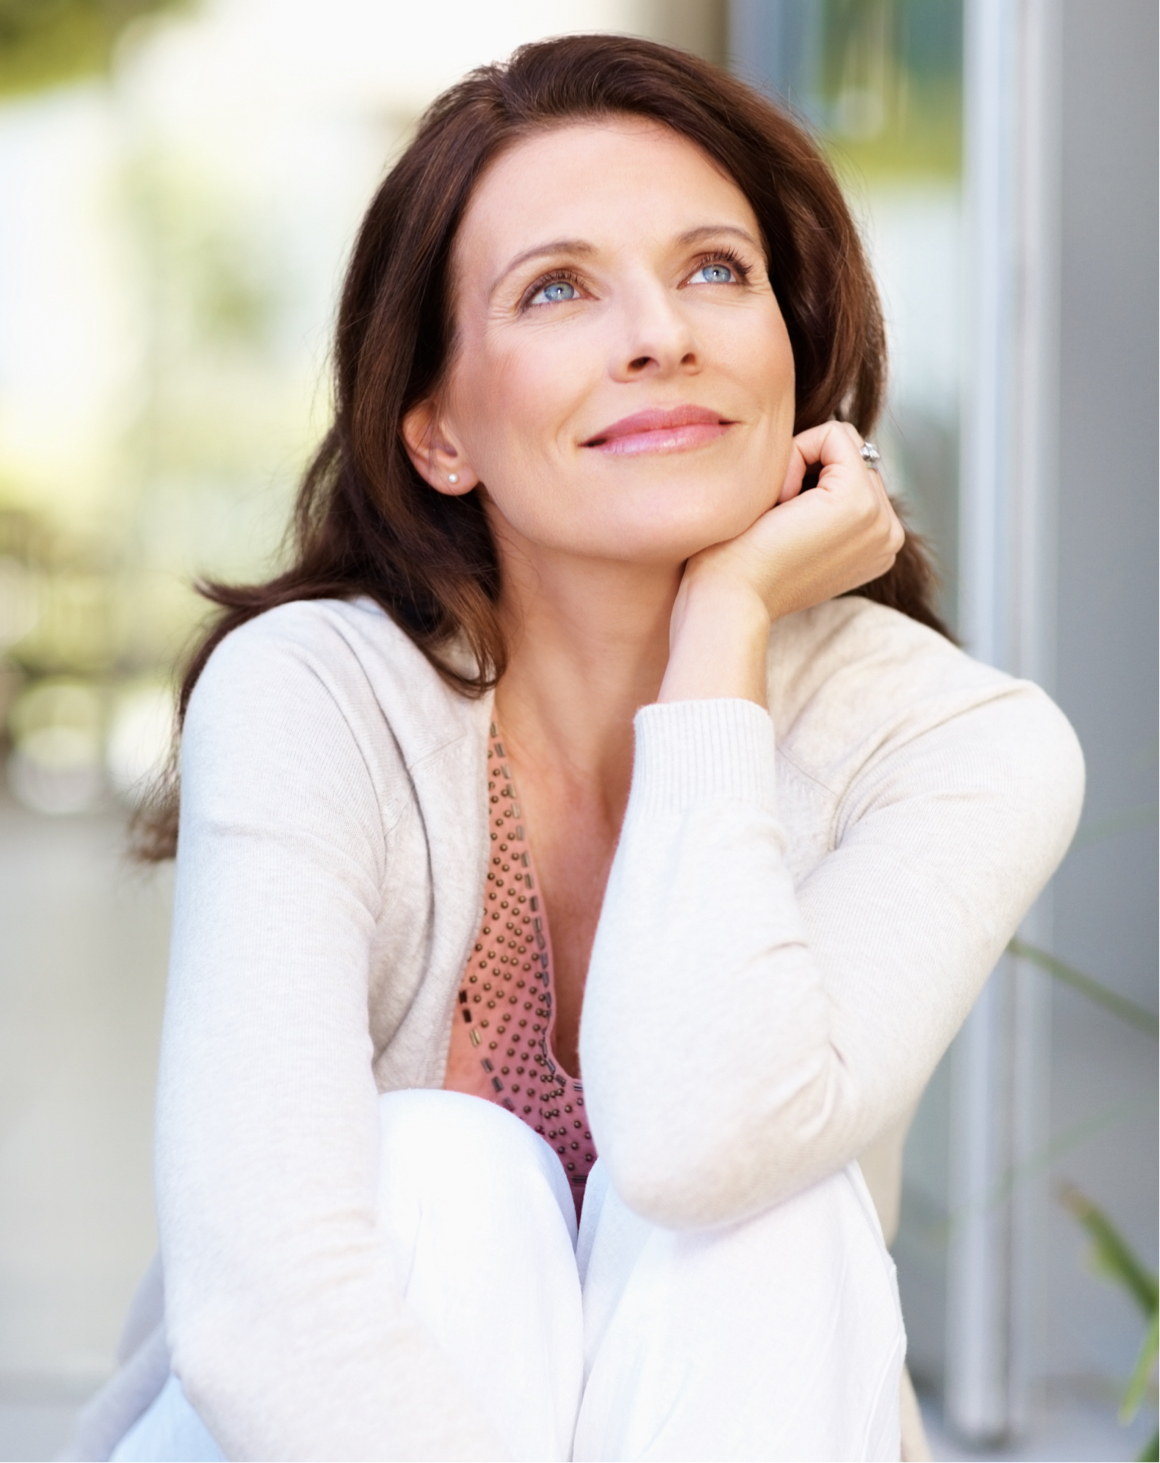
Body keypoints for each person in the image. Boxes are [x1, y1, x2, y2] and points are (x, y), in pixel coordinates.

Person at [67, 33, 1083, 1463]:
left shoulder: (966, 745)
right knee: (447, 1170)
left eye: (716, 270)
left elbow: (698, 1139)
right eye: (558, 289)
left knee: (766, 1203)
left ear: (797, 351)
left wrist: (721, 634)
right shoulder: (313, 694)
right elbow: (265, 1314)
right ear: (436, 432)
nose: (660, 334)